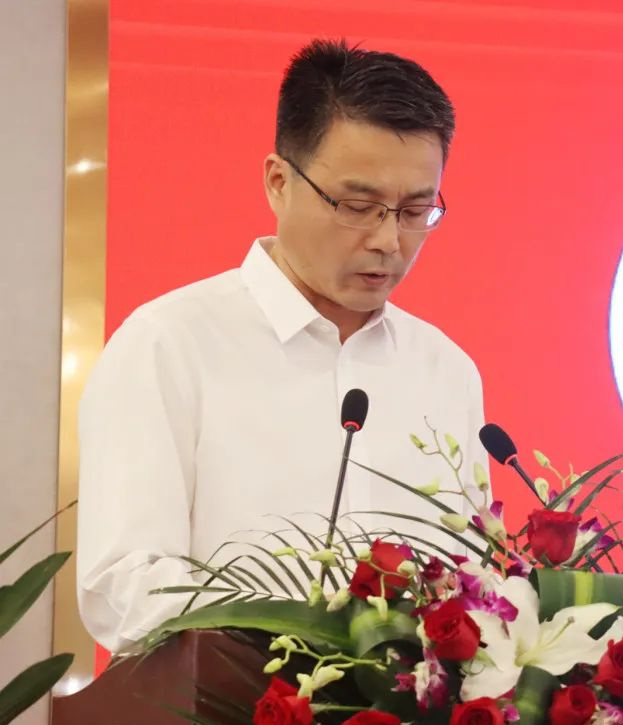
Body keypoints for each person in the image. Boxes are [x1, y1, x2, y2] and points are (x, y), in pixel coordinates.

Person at [76, 39, 489, 653]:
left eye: (414, 211)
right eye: (358, 206)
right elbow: (125, 584)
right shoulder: (171, 343)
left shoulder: (445, 370)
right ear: (278, 182)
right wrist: (306, 643)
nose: (388, 240)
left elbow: (469, 578)